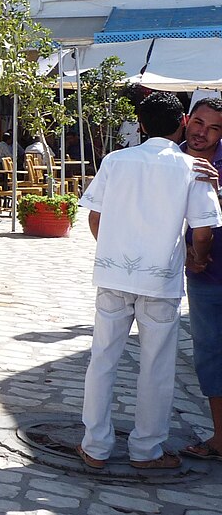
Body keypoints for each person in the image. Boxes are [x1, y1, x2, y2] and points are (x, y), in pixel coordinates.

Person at [75, 92, 222, 470]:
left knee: (102, 360)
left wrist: (114, 254)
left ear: (140, 124)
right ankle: (146, 451)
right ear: (183, 123)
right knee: (156, 367)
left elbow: (95, 217)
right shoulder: (192, 168)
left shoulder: (115, 160)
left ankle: (95, 447)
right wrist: (197, 258)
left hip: (114, 277)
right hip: (161, 281)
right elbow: (203, 230)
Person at [181, 97, 222, 462]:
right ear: (186, 120)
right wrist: (187, 255)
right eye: (198, 123)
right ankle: (220, 438)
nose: (202, 133)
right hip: (204, 277)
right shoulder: (171, 159)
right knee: (209, 355)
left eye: (213, 128)